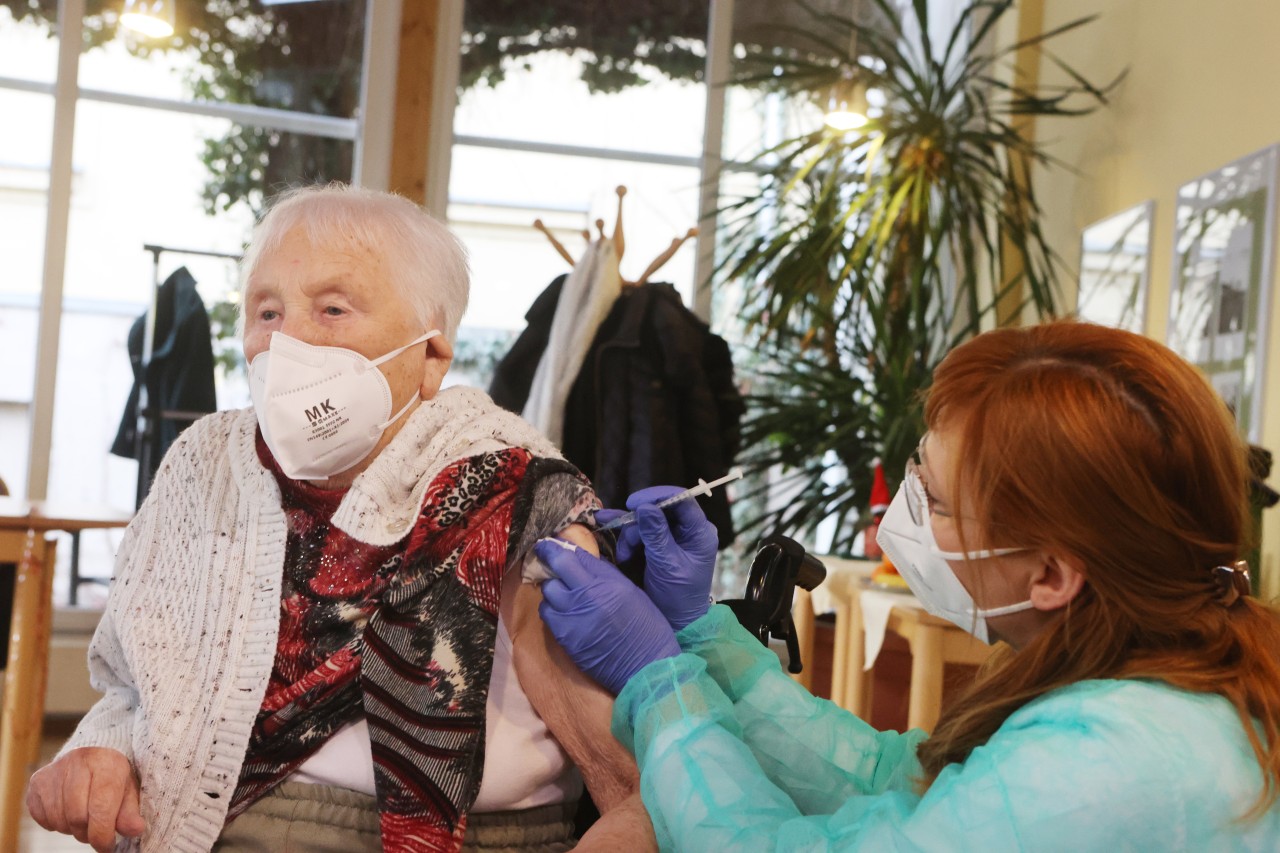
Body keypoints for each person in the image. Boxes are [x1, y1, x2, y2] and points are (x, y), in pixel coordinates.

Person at [26, 184, 653, 853]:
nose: (287, 340)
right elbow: (135, 682)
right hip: (203, 822)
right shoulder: (202, 465)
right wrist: (100, 751)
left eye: (332, 308)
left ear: (431, 356)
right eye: (266, 311)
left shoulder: (514, 491)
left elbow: (629, 791)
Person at [533, 321, 1280, 849]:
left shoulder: (1102, 766)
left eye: (941, 503)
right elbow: (893, 781)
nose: (906, 514)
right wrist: (700, 635)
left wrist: (660, 681)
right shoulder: (1155, 675)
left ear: (1051, 574)